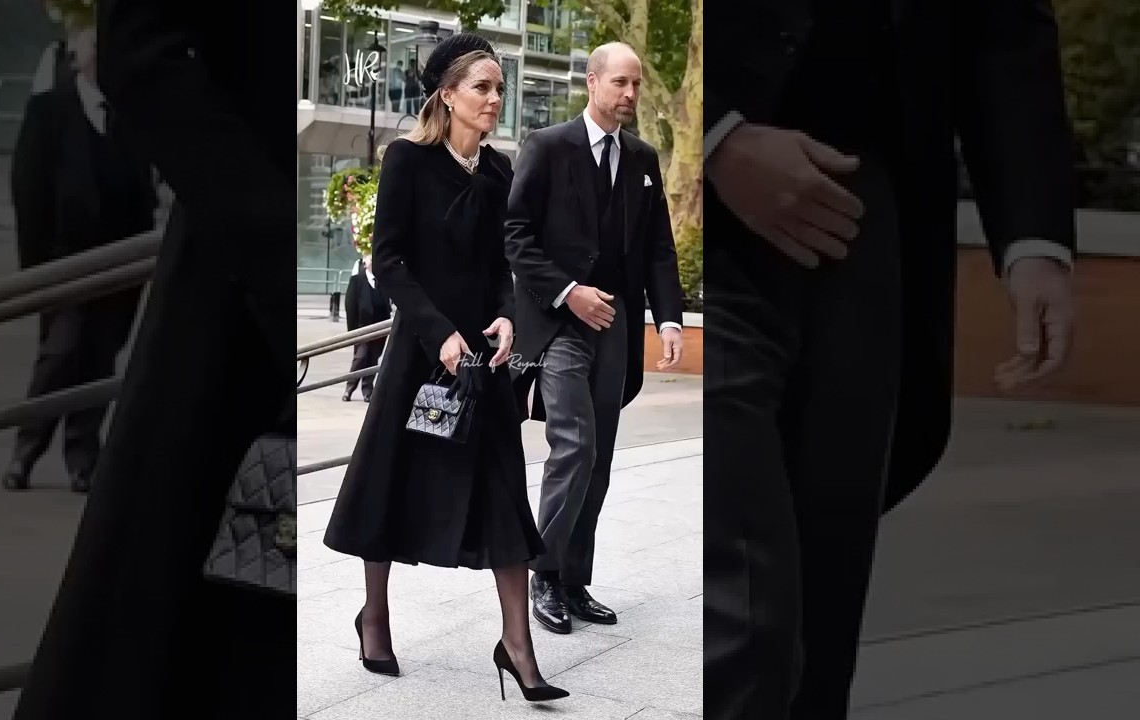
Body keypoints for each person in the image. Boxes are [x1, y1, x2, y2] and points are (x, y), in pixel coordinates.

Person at [705, 1, 1077, 717]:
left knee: (822, 607)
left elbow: (1005, 29)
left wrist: (1035, 239)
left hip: (867, 211)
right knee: (743, 610)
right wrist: (718, 135)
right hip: (710, 217)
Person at [10, 0, 296, 716]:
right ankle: (33, 449)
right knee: (216, 614)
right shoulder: (56, 114)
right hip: (244, 307)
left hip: (274, 313)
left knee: (265, 601)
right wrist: (268, 236)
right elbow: (142, 53)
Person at [322, 33, 568, 704]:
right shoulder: (406, 159)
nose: (494, 98)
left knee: (503, 491)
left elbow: (502, 265)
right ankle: (374, 616)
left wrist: (508, 315)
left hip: (483, 358)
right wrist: (439, 335)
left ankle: (517, 646)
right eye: (482, 87)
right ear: (447, 94)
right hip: (420, 353)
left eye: (498, 88)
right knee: (390, 482)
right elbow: (391, 259)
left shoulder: (498, 172)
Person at [505, 42, 685, 636]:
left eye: (636, 85)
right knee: (574, 446)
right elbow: (516, 234)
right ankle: (543, 574)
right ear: (592, 82)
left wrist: (671, 319)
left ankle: (573, 580)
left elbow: (658, 247)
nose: (631, 95)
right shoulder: (548, 147)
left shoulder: (643, 158)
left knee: (600, 460)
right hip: (559, 325)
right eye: (621, 83)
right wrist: (568, 291)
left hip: (618, 329)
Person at [2, 27, 156, 494]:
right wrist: (35, 272)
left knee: (100, 359)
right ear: (82, 60)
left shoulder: (129, 117)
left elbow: (143, 190)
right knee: (59, 356)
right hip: (64, 263)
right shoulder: (49, 111)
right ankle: (25, 451)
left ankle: (83, 457)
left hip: (120, 266)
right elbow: (29, 194)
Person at [342, 254, 391, 402]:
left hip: (379, 329)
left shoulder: (382, 282)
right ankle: (349, 388)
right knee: (360, 358)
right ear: (366, 265)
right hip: (362, 328)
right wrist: (352, 332)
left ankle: (367, 389)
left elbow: (387, 304)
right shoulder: (357, 280)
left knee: (373, 358)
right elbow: (350, 306)